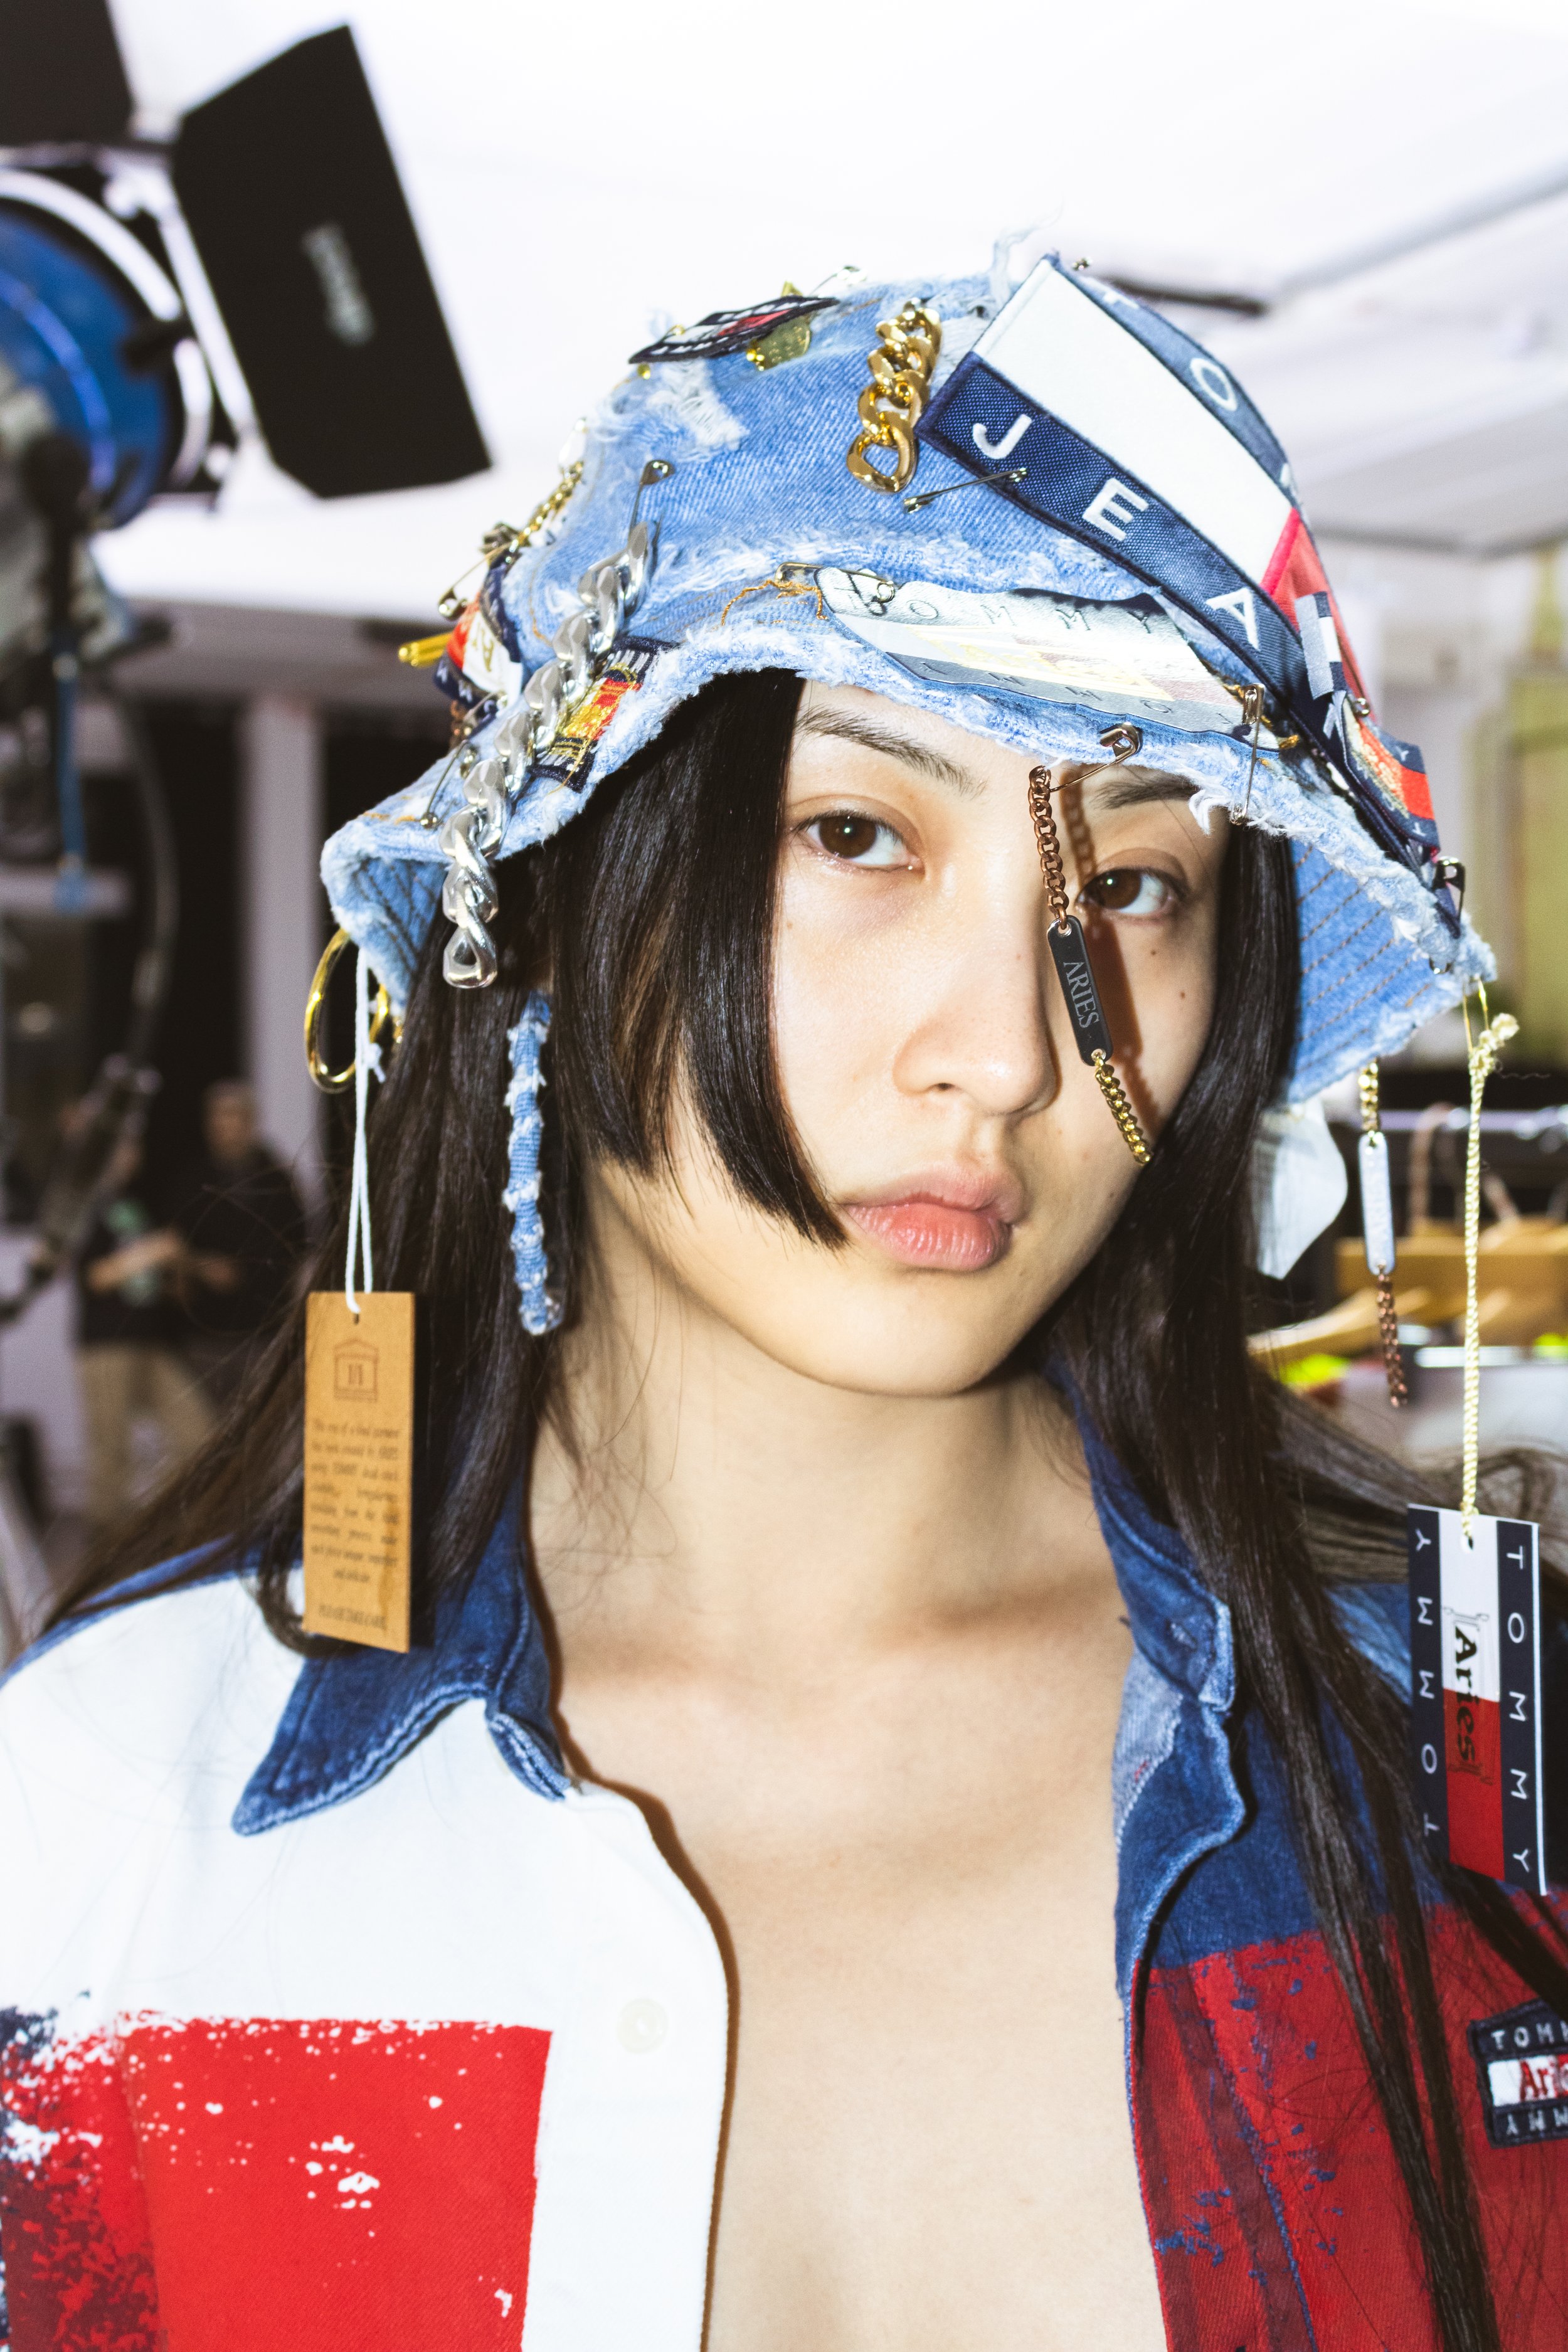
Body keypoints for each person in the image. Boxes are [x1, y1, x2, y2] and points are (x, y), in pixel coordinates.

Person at [0, 245, 1561, 2352]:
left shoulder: (1473, 1752)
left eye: (1132, 883)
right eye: (856, 830)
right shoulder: (114, 1819)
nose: (1006, 1052)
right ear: (543, 903)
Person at [71, 1130, 213, 1539]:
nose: (131, 1154)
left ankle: (166, 1526)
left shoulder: (135, 1205)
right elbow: (94, 1276)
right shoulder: (88, 1206)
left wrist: (181, 1270)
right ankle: (104, 1548)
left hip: (150, 1340)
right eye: (121, 1146)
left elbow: (149, 1277)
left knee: (198, 1433)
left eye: (134, 1145)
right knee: (110, 1450)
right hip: (106, 1345)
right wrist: (152, 1250)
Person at [170, 1078, 308, 1406]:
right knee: (210, 1430)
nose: (222, 1126)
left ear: (249, 1121)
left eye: (231, 1116)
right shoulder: (194, 1180)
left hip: (265, 1332)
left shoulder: (277, 1180)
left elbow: (301, 1248)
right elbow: (172, 1245)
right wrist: (200, 1267)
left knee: (262, 1424)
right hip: (207, 1336)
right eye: (216, 1117)